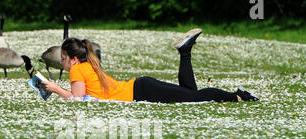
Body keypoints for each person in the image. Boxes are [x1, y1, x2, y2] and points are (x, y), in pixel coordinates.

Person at [41, 28, 259, 103]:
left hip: (141, 92)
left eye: (63, 58)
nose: (62, 63)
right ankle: (185, 52)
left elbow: (78, 99)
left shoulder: (78, 69)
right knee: (191, 93)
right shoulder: (87, 66)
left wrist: (56, 89)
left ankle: (236, 96)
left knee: (195, 96)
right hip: (141, 87)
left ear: (74, 58)